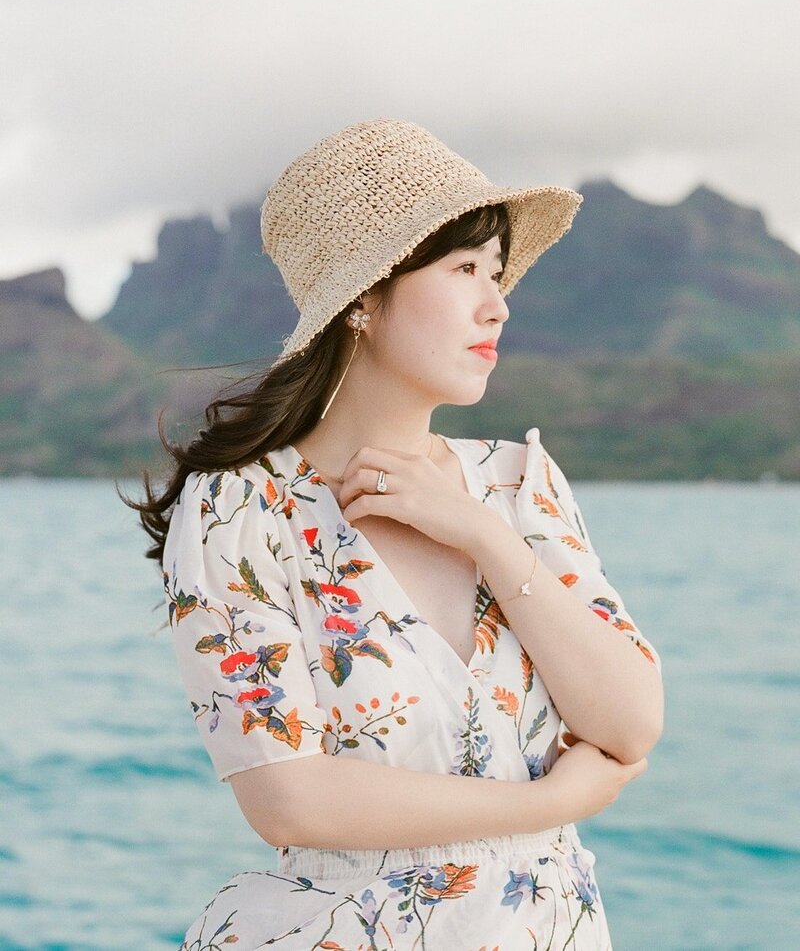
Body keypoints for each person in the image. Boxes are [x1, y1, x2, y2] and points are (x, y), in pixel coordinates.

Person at [130, 118, 663, 949]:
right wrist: (549, 806)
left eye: (497, 272)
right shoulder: (239, 510)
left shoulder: (517, 486)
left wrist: (484, 536)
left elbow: (631, 724)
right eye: (463, 270)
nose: (498, 303)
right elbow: (288, 800)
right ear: (365, 300)